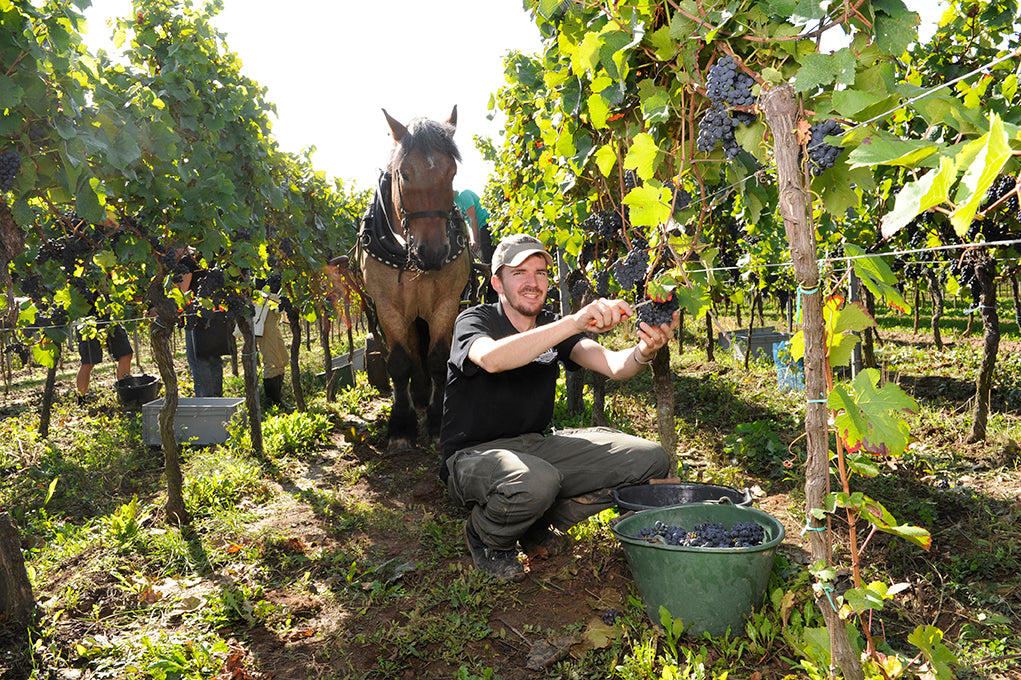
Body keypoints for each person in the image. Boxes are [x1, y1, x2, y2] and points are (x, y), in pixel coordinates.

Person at [439, 233, 679, 581]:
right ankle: (486, 534)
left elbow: (614, 365)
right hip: (473, 455)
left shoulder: (553, 324)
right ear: (497, 283)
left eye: (540, 272)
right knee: (536, 481)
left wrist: (645, 350)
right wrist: (573, 321)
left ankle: (534, 520)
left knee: (651, 458)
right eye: (519, 273)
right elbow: (491, 359)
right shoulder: (475, 321)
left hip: (536, 446)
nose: (533, 283)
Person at [76, 321, 133, 403]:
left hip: (109, 320)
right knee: (88, 362)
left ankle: (124, 395)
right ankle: (81, 399)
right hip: (87, 322)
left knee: (126, 354)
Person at [253, 273, 288, 409]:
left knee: (283, 358)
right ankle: (273, 402)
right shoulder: (264, 262)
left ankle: (277, 399)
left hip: (272, 314)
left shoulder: (282, 261)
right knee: (272, 362)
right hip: (264, 313)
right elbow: (260, 288)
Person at [455, 188, 493, 263]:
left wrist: (476, 240)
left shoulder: (464, 195)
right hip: (480, 228)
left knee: (487, 257)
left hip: (486, 224)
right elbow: (467, 223)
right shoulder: (456, 204)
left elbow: (473, 218)